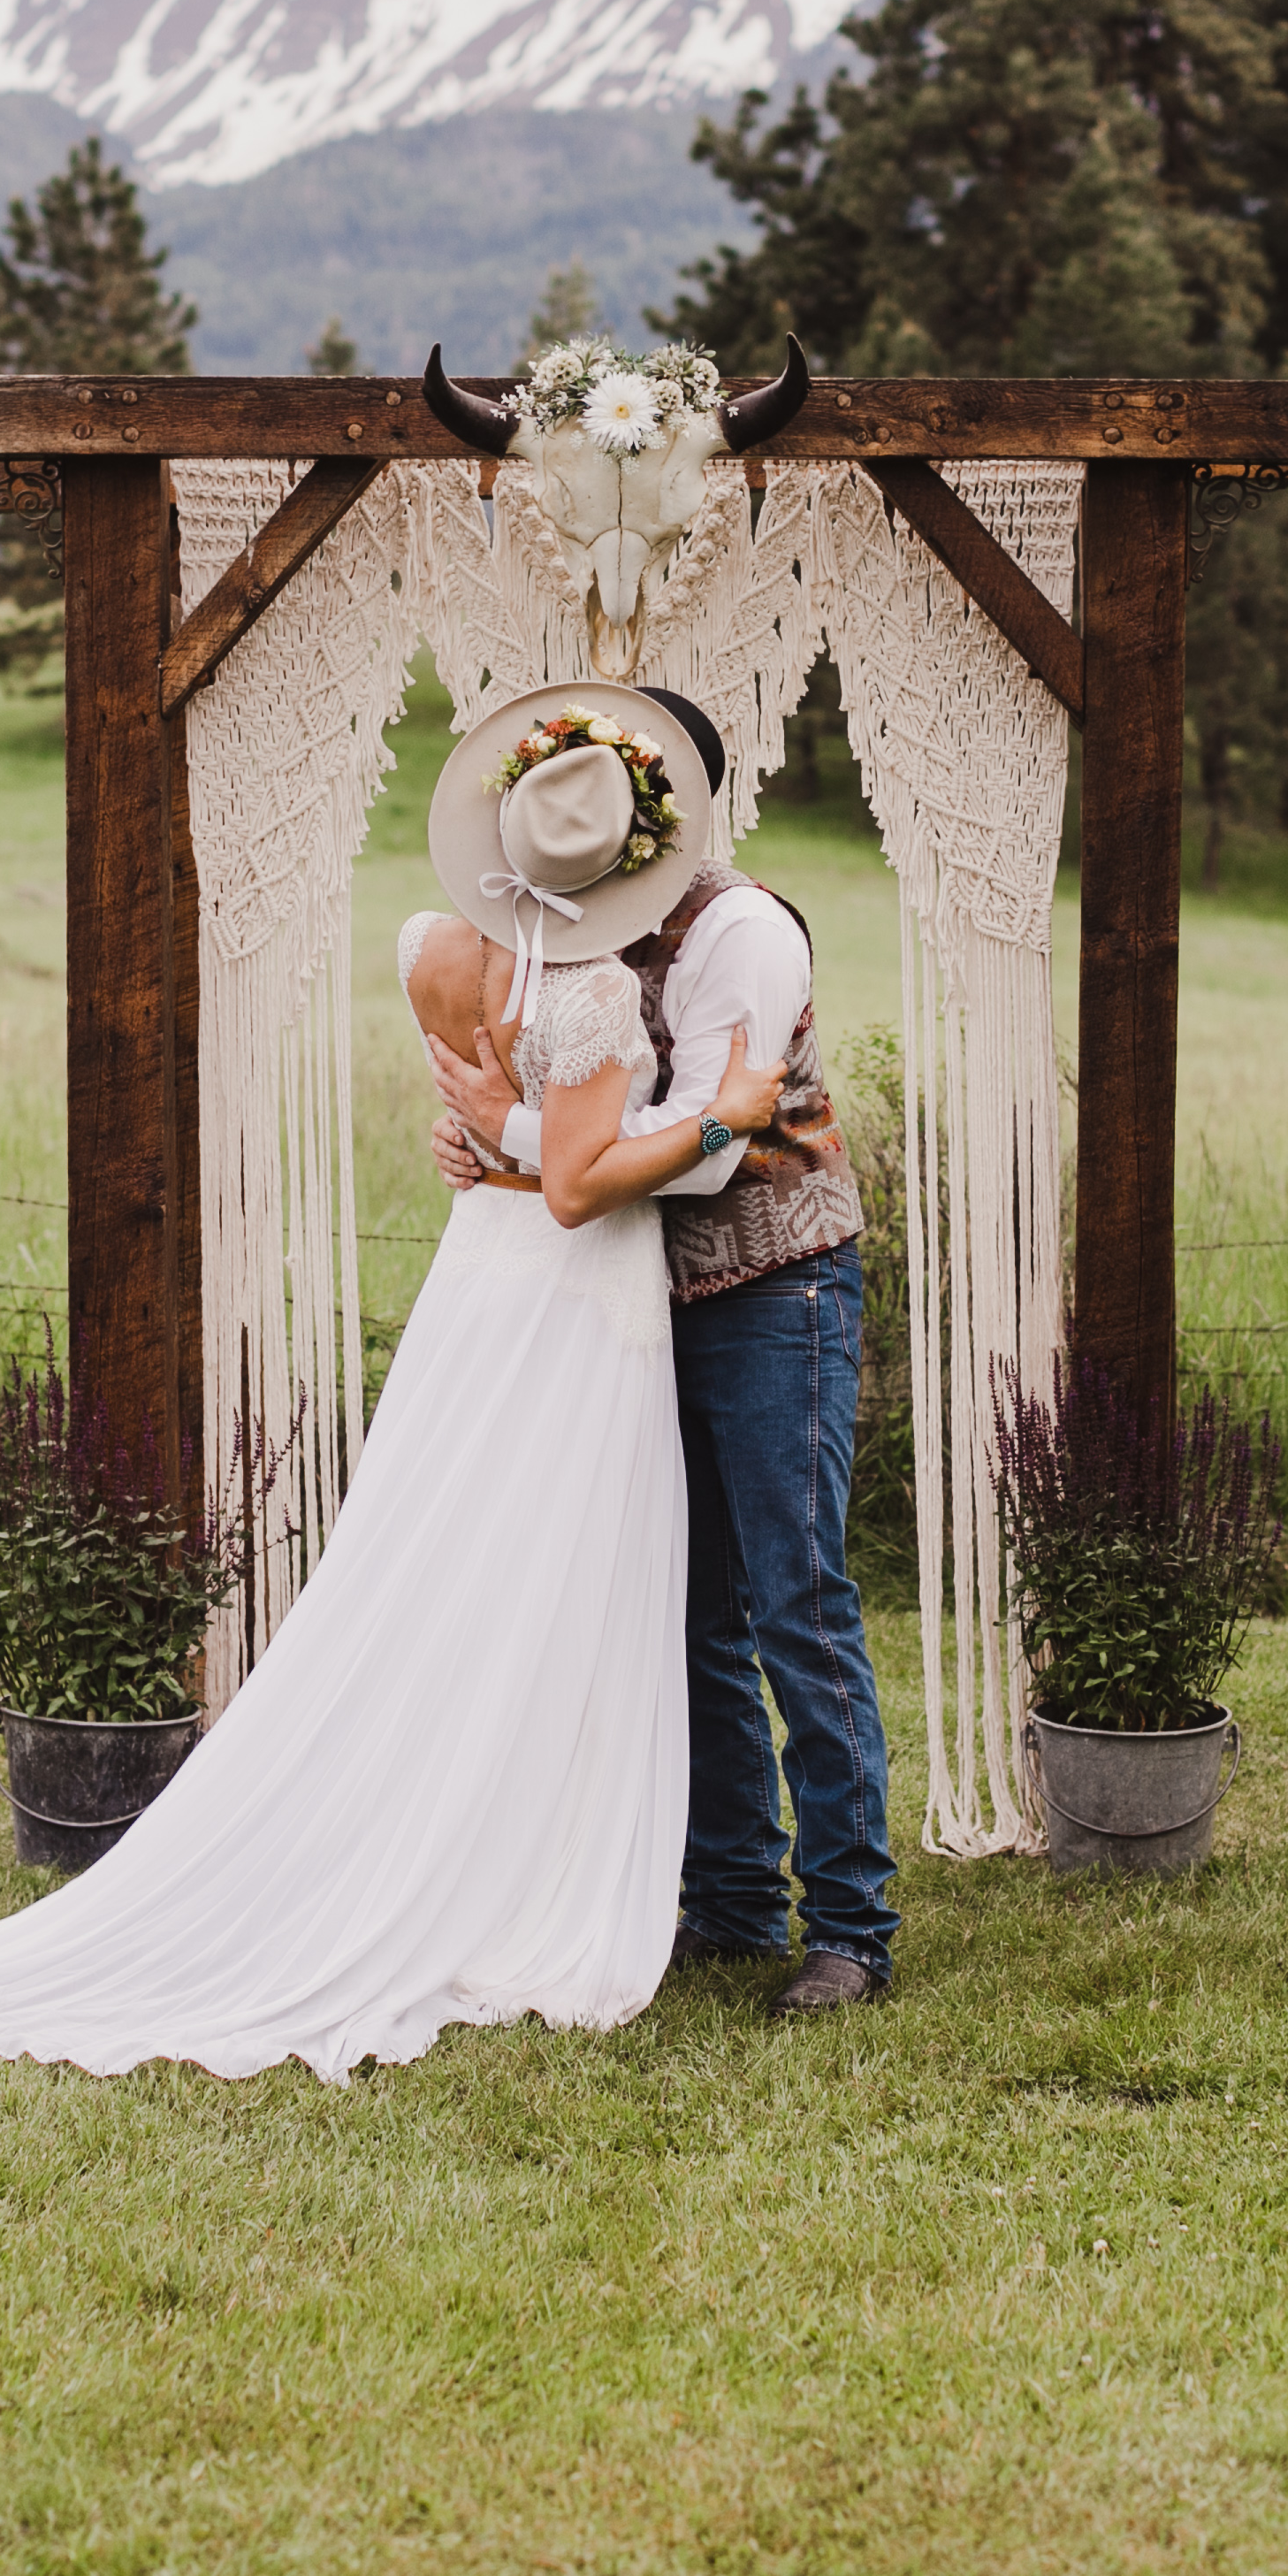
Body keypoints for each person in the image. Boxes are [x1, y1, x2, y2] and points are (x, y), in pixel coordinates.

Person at [0, 684, 780, 2082]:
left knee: (455, 1557)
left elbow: (511, 1149)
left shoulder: (436, 950)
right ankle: (533, 1861)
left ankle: (471, 1820)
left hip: (478, 1282)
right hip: (582, 1306)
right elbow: (584, 1188)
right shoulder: (586, 991)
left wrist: (496, 1140)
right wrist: (726, 1110)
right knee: (565, 1571)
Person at [423, 685, 897, 2017]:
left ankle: (852, 1925)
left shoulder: (742, 936)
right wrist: (490, 1139)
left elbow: (707, 1158)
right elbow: (564, 1115)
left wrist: (518, 1142)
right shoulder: (574, 928)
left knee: (798, 1599)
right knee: (688, 1612)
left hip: (773, 1288)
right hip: (634, 1300)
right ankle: (733, 1896)